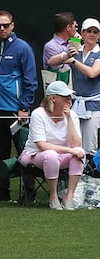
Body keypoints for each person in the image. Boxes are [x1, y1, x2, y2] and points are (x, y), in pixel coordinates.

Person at [0, 10, 38, 202]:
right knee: (0, 151)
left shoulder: (22, 48)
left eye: (5, 25)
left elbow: (30, 80)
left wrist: (24, 106)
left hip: (16, 109)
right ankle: (2, 191)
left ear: (12, 25)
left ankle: (29, 193)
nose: (2, 29)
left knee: (25, 152)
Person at [19, 80, 86, 209]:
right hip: (35, 155)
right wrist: (70, 151)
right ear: (53, 98)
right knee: (51, 155)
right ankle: (53, 197)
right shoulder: (38, 114)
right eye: (65, 97)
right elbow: (42, 146)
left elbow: (76, 144)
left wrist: (69, 119)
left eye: (70, 97)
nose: (69, 100)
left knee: (80, 152)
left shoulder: (72, 115)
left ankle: (69, 197)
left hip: (62, 156)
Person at [71, 18, 100, 156]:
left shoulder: (99, 53)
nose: (92, 34)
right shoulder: (77, 50)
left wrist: (74, 61)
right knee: (74, 143)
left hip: (93, 106)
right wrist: (74, 41)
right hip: (76, 104)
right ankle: (76, 176)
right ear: (82, 33)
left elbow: (92, 73)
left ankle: (90, 176)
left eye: (95, 32)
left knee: (89, 145)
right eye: (89, 31)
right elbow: (52, 61)